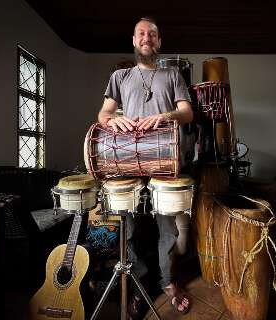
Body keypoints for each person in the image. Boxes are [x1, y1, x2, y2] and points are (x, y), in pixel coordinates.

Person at [98, 17, 194, 318]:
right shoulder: (120, 76)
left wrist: (166, 116)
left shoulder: (173, 74)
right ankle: (137, 282)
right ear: (134, 39)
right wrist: (112, 120)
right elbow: (104, 113)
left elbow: (187, 113)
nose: (147, 38)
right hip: (126, 157)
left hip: (165, 156)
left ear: (159, 42)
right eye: (142, 33)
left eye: (152, 34)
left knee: (167, 226)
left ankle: (167, 282)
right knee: (128, 227)